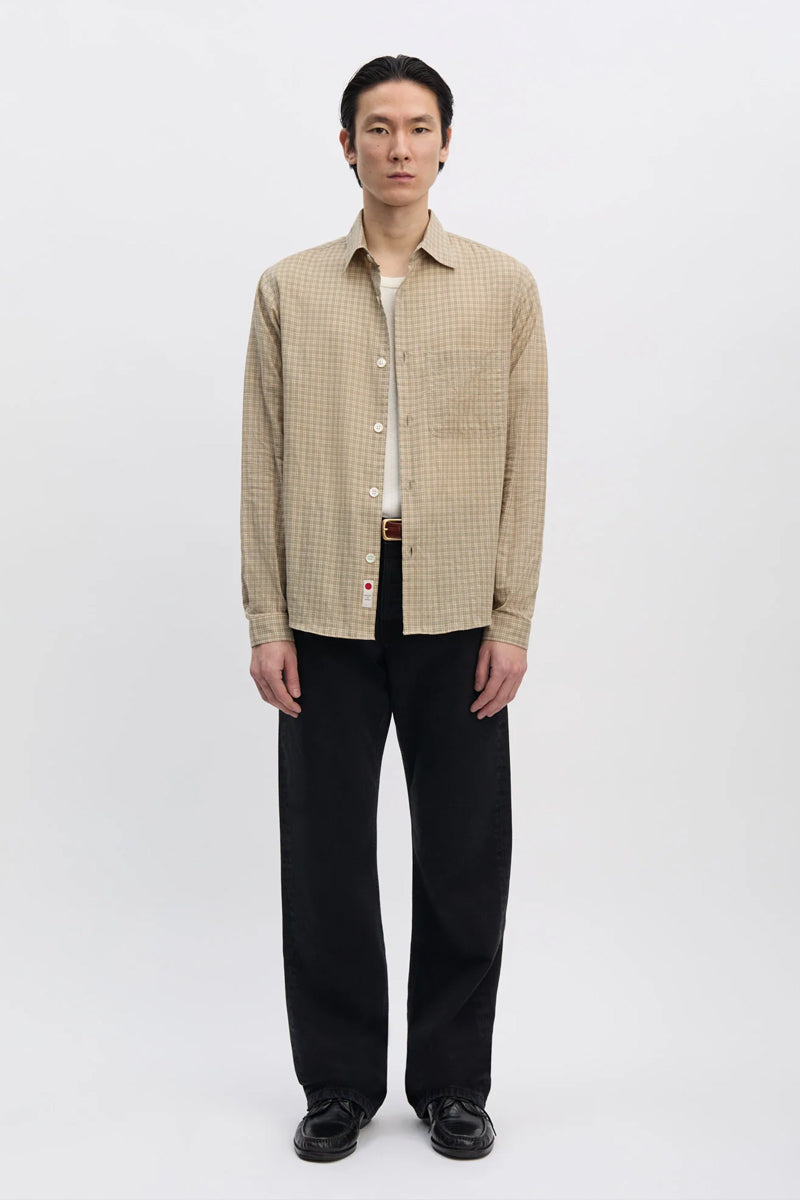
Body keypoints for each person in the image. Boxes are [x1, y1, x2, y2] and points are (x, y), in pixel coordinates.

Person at [240, 53, 548, 1162]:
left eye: (419, 127)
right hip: (327, 599)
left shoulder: (503, 288)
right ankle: (337, 1086)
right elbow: (262, 460)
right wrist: (266, 618)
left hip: (455, 601)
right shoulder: (288, 290)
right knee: (325, 856)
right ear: (347, 145)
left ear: (446, 144)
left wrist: (510, 619)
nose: (399, 147)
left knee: (463, 855)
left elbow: (525, 464)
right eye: (378, 128)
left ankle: (452, 1084)